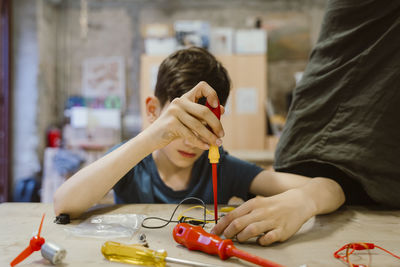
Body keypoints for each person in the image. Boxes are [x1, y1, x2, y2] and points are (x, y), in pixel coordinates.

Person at [54, 47, 344, 246]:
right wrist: (152, 136)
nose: (195, 140)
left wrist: (303, 202)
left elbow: (332, 188)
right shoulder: (131, 161)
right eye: (184, 123)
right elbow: (64, 203)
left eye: (206, 124)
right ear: (153, 110)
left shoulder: (224, 168)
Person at [212, 0, 400, 244]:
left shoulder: (225, 167)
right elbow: (329, 183)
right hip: (338, 163)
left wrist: (305, 199)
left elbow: (327, 189)